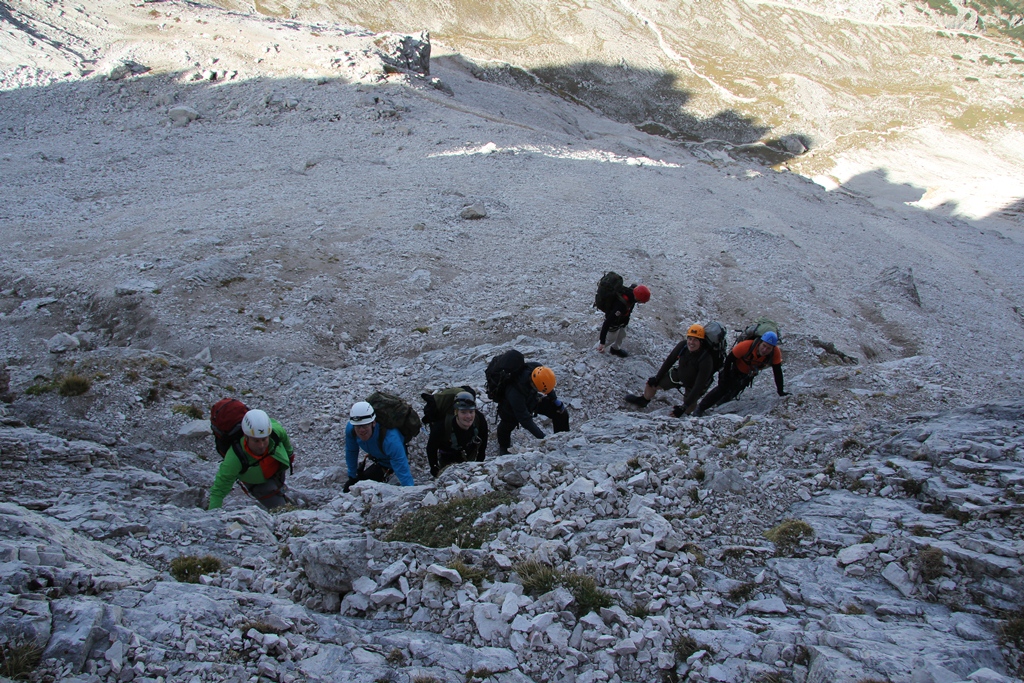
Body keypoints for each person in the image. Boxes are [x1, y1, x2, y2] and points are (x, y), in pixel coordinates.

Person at [208, 409, 293, 511]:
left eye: (264, 439)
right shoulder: (235, 458)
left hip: (276, 472)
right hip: (259, 484)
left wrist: (290, 454)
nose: (261, 445)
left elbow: (284, 437)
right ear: (246, 437)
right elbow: (219, 489)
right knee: (282, 509)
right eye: (256, 441)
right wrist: (213, 514)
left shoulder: (275, 431)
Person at [625, 323, 715, 416]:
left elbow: (699, 385)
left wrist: (684, 407)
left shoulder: (706, 359)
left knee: (689, 407)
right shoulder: (683, 346)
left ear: (701, 342)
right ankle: (643, 400)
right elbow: (670, 360)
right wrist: (657, 378)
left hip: (694, 384)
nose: (691, 342)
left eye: (695, 340)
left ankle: (687, 414)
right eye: (690, 339)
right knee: (651, 384)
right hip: (680, 374)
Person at [695, 331, 789, 416]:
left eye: (768, 348)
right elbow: (729, 360)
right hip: (733, 368)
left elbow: (777, 372)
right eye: (764, 346)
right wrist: (725, 376)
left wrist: (780, 391)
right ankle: (700, 408)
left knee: (736, 389)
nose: (765, 350)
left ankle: (720, 405)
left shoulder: (775, 353)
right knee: (722, 388)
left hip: (747, 373)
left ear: (773, 349)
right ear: (760, 342)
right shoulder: (745, 346)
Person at [496, 363, 570, 455]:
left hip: (531, 398)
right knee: (506, 426)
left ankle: (562, 439)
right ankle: (504, 449)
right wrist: (544, 439)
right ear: (534, 386)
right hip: (510, 408)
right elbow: (525, 420)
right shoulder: (515, 393)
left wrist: (554, 400)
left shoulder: (538, 371)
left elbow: (546, 384)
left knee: (560, 413)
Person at [344, 400, 414, 491]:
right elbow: (351, 451)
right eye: (358, 426)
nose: (361, 430)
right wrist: (352, 477)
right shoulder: (351, 429)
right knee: (353, 487)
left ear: (373, 423)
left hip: (393, 462)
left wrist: (409, 491)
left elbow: (401, 467)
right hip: (380, 461)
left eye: (365, 426)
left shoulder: (390, 439)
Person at [426, 391, 489, 477]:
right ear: (456, 412)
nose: (468, 416)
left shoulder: (479, 419)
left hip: (470, 455)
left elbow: (483, 439)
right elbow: (431, 448)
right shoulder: (442, 426)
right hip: (448, 459)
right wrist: (435, 469)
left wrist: (479, 462)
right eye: (463, 412)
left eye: (471, 412)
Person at [598, 283, 650, 358]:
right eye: (642, 301)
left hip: (622, 321)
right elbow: (607, 322)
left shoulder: (632, 293)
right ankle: (598, 349)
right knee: (610, 339)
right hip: (615, 323)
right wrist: (602, 341)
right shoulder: (621, 305)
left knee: (622, 334)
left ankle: (615, 349)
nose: (643, 303)